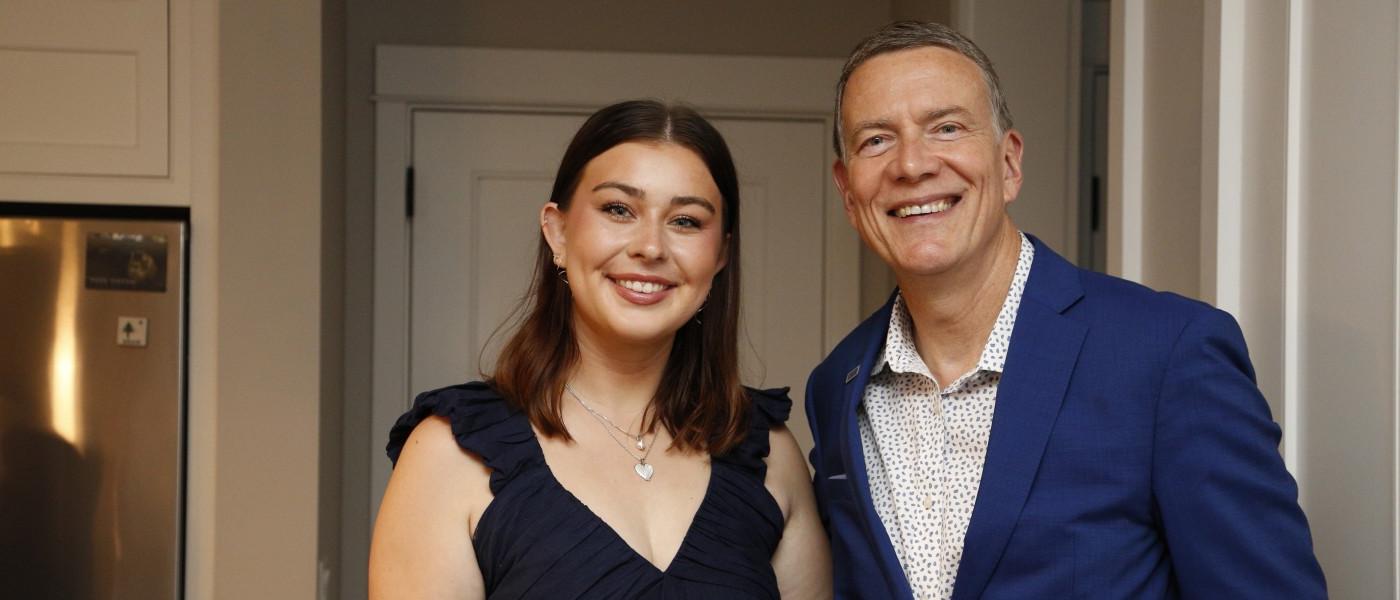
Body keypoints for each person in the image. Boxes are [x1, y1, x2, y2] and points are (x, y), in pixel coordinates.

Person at [804, 21, 1326, 599]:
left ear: (1009, 164)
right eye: (876, 140)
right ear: (848, 192)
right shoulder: (837, 385)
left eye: (946, 128)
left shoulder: (1169, 352)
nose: (912, 164)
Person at [370, 100, 831, 599]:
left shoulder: (767, 456)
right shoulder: (451, 455)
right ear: (558, 232)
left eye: (687, 221)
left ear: (720, 255)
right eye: (618, 210)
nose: (650, 247)